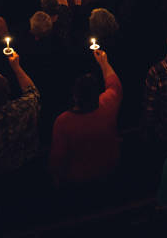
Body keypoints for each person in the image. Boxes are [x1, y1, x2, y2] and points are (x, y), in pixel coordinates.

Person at [49, 49, 123, 185]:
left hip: (79, 179)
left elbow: (57, 159)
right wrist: (104, 63)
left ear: (75, 97)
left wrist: (57, 178)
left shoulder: (63, 122)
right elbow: (114, 85)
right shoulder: (108, 102)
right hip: (110, 169)